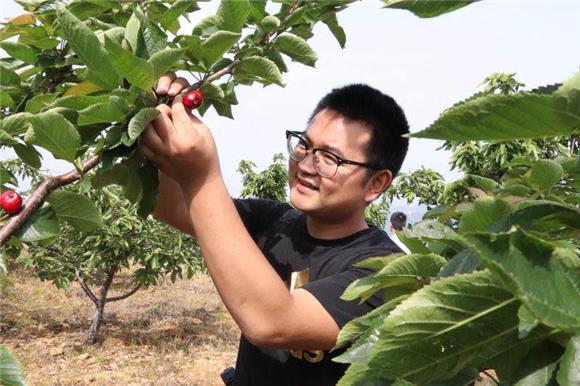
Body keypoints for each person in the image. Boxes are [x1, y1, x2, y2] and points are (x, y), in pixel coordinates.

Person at [138, 73, 409, 385]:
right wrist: (168, 117)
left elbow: (273, 322)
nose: (307, 165)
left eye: (331, 157)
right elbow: (173, 208)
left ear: (376, 184)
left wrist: (201, 175)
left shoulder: (386, 273)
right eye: (305, 145)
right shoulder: (275, 222)